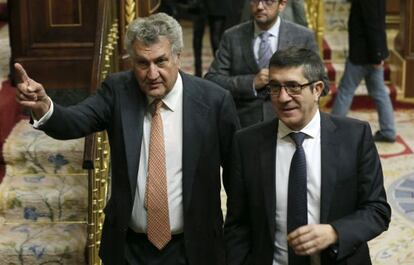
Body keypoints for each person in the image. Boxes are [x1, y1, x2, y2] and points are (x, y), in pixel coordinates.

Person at [15, 13, 240, 265]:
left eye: (161, 61)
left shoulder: (214, 101)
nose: (152, 73)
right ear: (132, 61)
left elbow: (237, 179)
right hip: (128, 249)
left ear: (177, 56)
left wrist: (235, 246)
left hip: (194, 250)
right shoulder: (118, 90)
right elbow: (75, 121)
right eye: (143, 63)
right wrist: (45, 108)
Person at [224, 47, 391, 265]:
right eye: (275, 87)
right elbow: (237, 224)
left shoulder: (354, 137)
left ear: (317, 89)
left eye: (293, 86)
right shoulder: (246, 143)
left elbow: (377, 210)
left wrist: (335, 232)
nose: (283, 98)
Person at [205, 0, 319, 128]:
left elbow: (321, 83)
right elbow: (212, 80)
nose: (259, 7)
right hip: (244, 124)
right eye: (255, 1)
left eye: (268, 2)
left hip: (291, 123)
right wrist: (251, 83)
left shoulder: (302, 36)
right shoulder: (232, 36)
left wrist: (291, 85)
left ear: (282, 4)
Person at [331, 0, 396, 142]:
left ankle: (332, 131)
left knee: (345, 91)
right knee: (379, 92)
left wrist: (377, 55)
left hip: (364, 54)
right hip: (371, 53)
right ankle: (389, 131)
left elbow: (373, 24)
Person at [190, 0, 232, 77]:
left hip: (207, 4)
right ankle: (218, 70)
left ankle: (199, 71)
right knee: (214, 37)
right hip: (211, 4)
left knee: (210, 37)